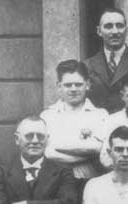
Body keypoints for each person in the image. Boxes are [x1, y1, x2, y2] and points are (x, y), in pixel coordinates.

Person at [40, 60, 108, 192]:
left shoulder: (100, 115)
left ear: (87, 85)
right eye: (67, 85)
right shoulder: (47, 116)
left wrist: (58, 147)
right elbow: (47, 153)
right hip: (55, 185)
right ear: (59, 86)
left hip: (89, 183)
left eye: (78, 84)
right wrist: (86, 153)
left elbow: (98, 149)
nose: (73, 89)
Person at [84, 7, 128, 113]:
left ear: (127, 30)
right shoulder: (87, 66)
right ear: (99, 31)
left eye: (119, 26)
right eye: (108, 26)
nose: (115, 31)